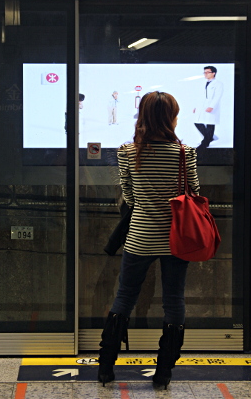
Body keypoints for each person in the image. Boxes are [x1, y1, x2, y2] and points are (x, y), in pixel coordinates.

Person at [98, 91, 200, 389]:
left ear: (142, 115)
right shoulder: (185, 152)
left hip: (140, 236)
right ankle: (164, 373)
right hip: (176, 239)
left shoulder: (128, 150)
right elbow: (192, 192)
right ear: (171, 117)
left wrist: (144, 202)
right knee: (174, 300)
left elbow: (128, 195)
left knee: (125, 297)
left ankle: (106, 368)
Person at [193, 66, 223, 149]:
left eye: (207, 72)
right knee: (197, 122)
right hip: (202, 106)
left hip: (211, 106)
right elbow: (200, 96)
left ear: (213, 73)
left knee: (210, 124)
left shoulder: (218, 84)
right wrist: (196, 107)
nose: (205, 74)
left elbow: (217, 96)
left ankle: (205, 143)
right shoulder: (204, 83)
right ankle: (210, 138)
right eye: (204, 72)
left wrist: (211, 106)